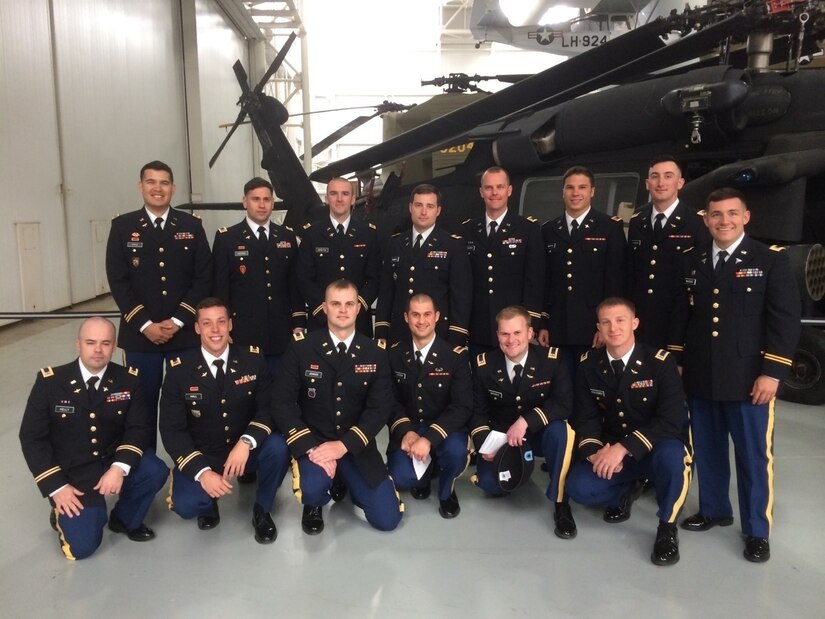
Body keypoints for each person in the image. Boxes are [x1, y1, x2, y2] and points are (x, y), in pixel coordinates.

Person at [669, 187, 801, 563]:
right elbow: (684, 316)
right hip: (702, 374)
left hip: (749, 380)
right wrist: (678, 360)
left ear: (746, 216)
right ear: (706, 219)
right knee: (707, 451)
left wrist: (772, 372)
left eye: (731, 213)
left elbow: (784, 321)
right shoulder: (692, 260)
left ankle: (757, 530)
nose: (723, 221)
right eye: (715, 214)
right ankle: (714, 510)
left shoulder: (769, 260)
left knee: (753, 457)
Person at [19, 317, 168, 560]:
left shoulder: (129, 379)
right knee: (83, 548)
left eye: (105, 343)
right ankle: (62, 513)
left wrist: (119, 468)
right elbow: (32, 438)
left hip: (112, 460)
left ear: (114, 345)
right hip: (74, 472)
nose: (98, 350)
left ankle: (124, 519)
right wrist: (57, 487)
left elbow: (139, 428)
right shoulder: (51, 382)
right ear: (78, 345)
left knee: (154, 470)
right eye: (91, 342)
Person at [566, 298, 692, 566]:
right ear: (598, 328)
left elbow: (672, 420)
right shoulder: (589, 364)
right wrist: (593, 453)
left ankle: (667, 527)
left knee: (673, 459)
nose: (614, 328)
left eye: (620, 320)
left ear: (634, 323)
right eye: (606, 322)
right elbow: (586, 417)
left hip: (656, 446)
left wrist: (623, 448)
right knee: (579, 487)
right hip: (615, 452)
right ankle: (629, 489)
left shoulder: (660, 362)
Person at [273, 279, 403, 534]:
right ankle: (315, 503)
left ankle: (346, 480)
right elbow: (282, 403)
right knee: (311, 488)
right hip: (316, 443)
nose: (343, 310)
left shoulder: (374, 353)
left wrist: (343, 446)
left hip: (356, 445)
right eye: (336, 304)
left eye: (349, 304)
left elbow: (380, 408)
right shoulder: (302, 348)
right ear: (324, 308)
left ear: (358, 309)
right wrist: (310, 447)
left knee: (388, 520)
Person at [159, 297, 290, 544]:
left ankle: (262, 509)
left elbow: (268, 409)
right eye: (207, 323)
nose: (215, 330)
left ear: (230, 324)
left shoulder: (253, 359)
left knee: (278, 447)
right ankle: (208, 503)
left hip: (244, 450)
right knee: (187, 506)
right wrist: (203, 473)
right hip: (204, 453)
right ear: (197, 328)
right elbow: (171, 430)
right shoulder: (179, 370)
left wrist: (246, 442)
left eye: (221, 322)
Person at [106, 160, 212, 445]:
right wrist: (145, 325)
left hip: (185, 335)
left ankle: (192, 470)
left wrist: (178, 321)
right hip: (141, 339)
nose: (158, 188)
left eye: (164, 182)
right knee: (142, 406)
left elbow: (203, 278)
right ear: (140, 186)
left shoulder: (191, 226)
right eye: (151, 182)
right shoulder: (122, 227)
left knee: (191, 404)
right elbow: (118, 282)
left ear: (173, 188)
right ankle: (145, 468)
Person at [469, 305, 577, 539]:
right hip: (503, 439)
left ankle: (561, 503)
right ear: (497, 335)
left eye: (517, 333)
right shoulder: (483, 366)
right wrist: (484, 444)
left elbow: (564, 404)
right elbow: (477, 412)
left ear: (530, 333)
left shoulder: (552, 361)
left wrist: (526, 421)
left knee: (562, 431)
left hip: (539, 434)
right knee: (490, 484)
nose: (511, 340)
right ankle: (520, 470)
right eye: (504, 334)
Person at [387, 293, 472, 518]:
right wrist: (405, 431)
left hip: (444, 427)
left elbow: (462, 406)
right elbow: (389, 400)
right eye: (415, 314)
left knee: (455, 453)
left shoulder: (455, 357)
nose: (421, 321)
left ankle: (446, 492)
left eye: (427, 314)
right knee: (399, 476)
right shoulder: (394, 354)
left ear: (437, 317)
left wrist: (429, 439)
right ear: (406, 317)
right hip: (411, 427)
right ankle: (424, 476)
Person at [539, 165, 626, 376]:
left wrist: (606, 327)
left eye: (582, 187)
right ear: (563, 192)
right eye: (570, 187)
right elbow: (543, 280)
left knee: (592, 387)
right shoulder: (548, 230)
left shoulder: (609, 228)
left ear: (592, 191)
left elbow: (616, 281)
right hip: (557, 327)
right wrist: (543, 323)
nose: (575, 193)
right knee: (561, 387)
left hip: (592, 328)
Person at [212, 177, 305, 374]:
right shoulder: (227, 238)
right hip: (244, 331)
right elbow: (220, 288)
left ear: (272, 202)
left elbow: (294, 284)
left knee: (281, 390)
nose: (262, 205)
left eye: (267, 199)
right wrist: (222, 325)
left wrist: (299, 322)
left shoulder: (286, 236)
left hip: (282, 330)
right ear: (245, 202)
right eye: (255, 199)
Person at [462, 167, 544, 357]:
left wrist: (530, 322)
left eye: (500, 187)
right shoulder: (468, 230)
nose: (494, 192)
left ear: (509, 190)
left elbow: (535, 280)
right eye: (489, 188)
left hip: (514, 329)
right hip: (479, 324)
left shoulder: (527, 229)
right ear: (481, 192)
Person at [375, 184, 471, 347]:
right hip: (400, 332)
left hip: (438, 334)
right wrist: (381, 330)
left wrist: (457, 336)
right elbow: (386, 292)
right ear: (411, 208)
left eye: (430, 206)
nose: (424, 212)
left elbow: (461, 296)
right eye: (419, 205)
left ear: (438, 211)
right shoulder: (395, 243)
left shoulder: (452, 245)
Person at [627, 156, 708, 348]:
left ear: (680, 183)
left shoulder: (697, 222)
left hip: (678, 320)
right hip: (642, 319)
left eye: (668, 176)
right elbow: (631, 272)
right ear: (647, 184)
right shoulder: (638, 221)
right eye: (655, 177)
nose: (661, 183)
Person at [297, 177, 380, 337]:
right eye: (334, 194)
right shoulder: (312, 234)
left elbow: (375, 278)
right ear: (326, 199)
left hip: (358, 321)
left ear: (353, 199)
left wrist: (357, 308)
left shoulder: (368, 234)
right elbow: (304, 278)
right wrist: (324, 310)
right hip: (321, 321)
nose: (340, 199)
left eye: (345, 194)